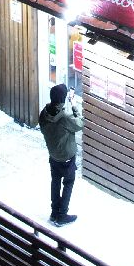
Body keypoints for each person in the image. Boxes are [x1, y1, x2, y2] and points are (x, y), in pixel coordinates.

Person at [39, 84, 82, 226]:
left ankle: (54, 213)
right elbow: (80, 123)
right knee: (68, 184)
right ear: (63, 100)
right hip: (67, 158)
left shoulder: (44, 114)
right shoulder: (64, 118)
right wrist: (74, 105)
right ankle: (62, 215)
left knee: (55, 183)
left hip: (53, 156)